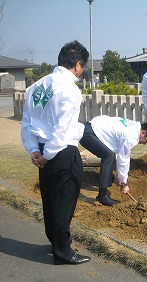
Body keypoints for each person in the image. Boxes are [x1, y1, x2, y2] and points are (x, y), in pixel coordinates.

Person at [21, 40, 90, 265]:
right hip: (61, 152)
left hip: (41, 149)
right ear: (78, 65)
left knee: (50, 200)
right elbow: (63, 129)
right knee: (64, 202)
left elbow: (27, 123)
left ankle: (55, 241)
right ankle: (63, 252)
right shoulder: (69, 89)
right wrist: (48, 155)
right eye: (83, 67)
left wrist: (35, 151)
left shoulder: (36, 87)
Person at [79, 116, 147, 206]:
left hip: (93, 129)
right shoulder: (131, 135)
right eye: (146, 141)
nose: (144, 144)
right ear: (143, 133)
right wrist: (124, 183)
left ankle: (110, 179)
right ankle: (102, 196)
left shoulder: (134, 126)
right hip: (88, 134)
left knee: (110, 155)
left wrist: (118, 177)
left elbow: (118, 151)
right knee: (108, 156)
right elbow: (123, 159)